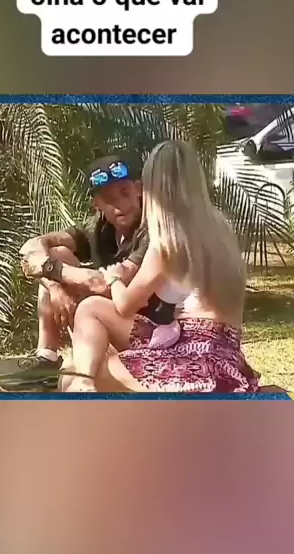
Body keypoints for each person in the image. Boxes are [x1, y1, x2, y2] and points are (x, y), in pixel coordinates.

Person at [62, 139, 260, 393]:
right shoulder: (222, 227)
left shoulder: (168, 241)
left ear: (152, 190)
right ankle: (84, 384)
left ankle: (83, 386)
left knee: (74, 373)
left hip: (192, 360)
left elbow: (125, 305)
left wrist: (114, 278)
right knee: (91, 308)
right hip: (227, 356)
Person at [19, 152, 181, 371]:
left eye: (124, 192)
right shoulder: (98, 227)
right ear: (97, 204)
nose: (120, 204)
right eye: (109, 198)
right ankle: (47, 357)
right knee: (58, 253)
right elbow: (30, 248)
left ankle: (91, 369)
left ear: (138, 189)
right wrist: (55, 286)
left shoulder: (154, 228)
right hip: (115, 320)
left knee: (83, 296)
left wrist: (50, 269)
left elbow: (105, 283)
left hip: (156, 331)